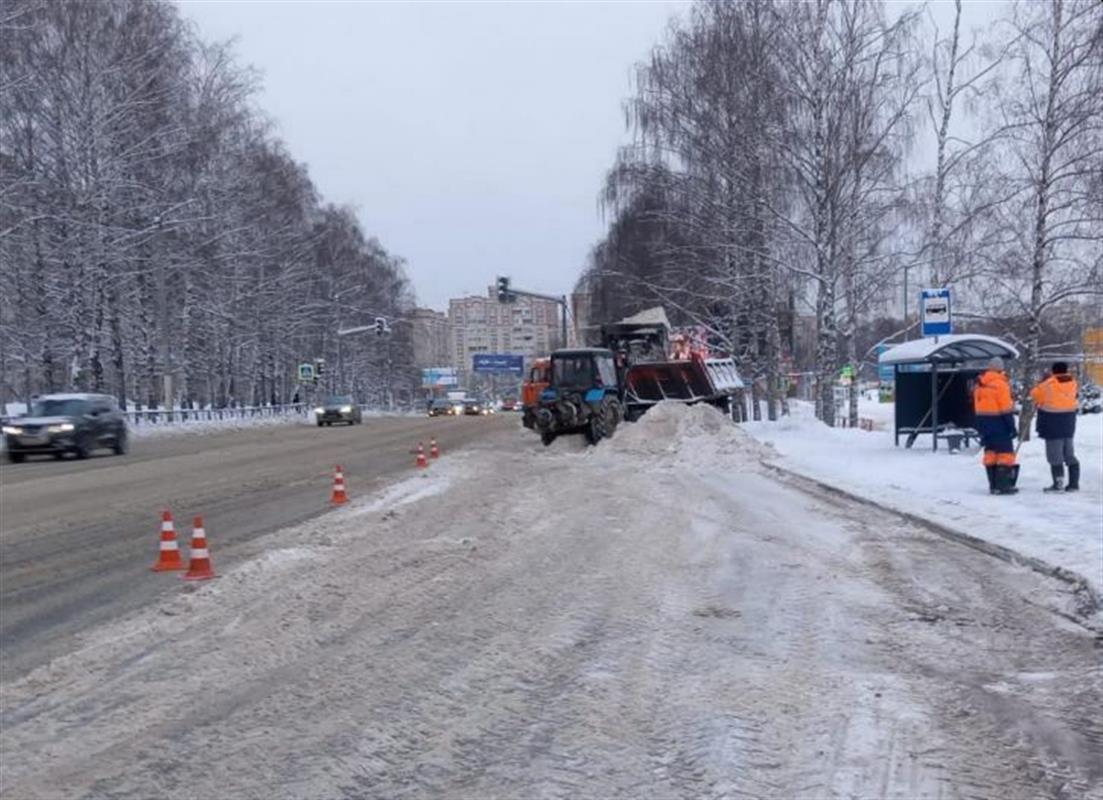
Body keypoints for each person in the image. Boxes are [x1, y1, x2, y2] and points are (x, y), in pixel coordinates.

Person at [1029, 362, 1079, 492]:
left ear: (1053, 371)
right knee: (1069, 453)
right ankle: (1074, 483)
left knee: (1054, 455)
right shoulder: (1073, 383)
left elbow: (1034, 394)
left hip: (1052, 422)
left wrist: (1042, 382)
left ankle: (1058, 484)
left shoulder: (1049, 384)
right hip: (1069, 422)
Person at [973, 357, 1018, 495]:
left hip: (983, 423)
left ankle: (993, 485)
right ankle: (1003, 486)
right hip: (999, 422)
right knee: (1005, 453)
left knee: (990, 453)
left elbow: (976, 405)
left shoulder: (980, 384)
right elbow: (1005, 408)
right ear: (1001, 369)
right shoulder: (1000, 384)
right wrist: (1011, 426)